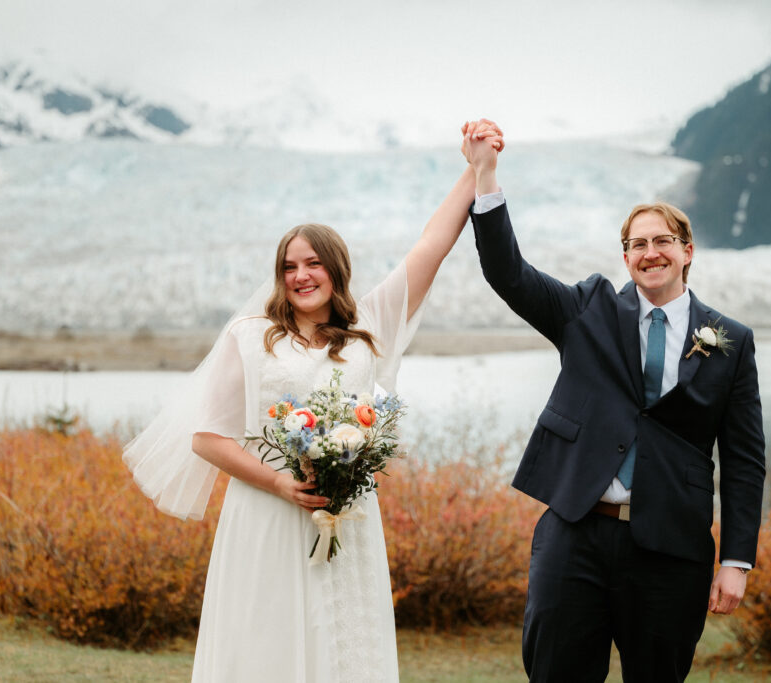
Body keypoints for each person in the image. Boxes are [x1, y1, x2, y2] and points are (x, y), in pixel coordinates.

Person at [123, 119, 503, 683]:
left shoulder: (369, 328)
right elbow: (207, 438)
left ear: (336, 268)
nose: (301, 276)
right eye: (289, 266)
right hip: (267, 512)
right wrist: (279, 482)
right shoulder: (251, 337)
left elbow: (431, 246)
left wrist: (476, 168)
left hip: (348, 516)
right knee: (266, 643)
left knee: (343, 647)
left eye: (313, 262)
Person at [462, 130, 765, 681]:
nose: (651, 253)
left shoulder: (731, 340)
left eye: (663, 241)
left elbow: (744, 460)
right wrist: (485, 177)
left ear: (687, 251)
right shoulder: (586, 310)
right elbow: (509, 273)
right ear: (625, 257)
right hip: (576, 532)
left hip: (672, 547)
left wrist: (736, 562)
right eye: (638, 244)